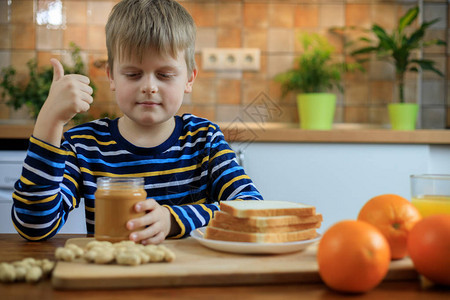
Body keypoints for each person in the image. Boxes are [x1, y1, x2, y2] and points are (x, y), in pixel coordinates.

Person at [11, 0, 262, 244]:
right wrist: (49, 121)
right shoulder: (85, 146)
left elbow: (253, 208)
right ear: (111, 76)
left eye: (164, 75)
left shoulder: (204, 139)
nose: (149, 87)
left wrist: (173, 219)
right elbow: (33, 227)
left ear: (189, 78)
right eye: (133, 74)